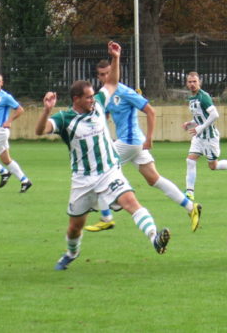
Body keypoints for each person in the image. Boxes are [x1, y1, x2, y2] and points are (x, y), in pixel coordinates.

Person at [35, 41, 170, 271]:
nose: (92, 99)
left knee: (131, 202)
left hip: (109, 172)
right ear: (76, 98)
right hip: (82, 180)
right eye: (87, 97)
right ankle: (71, 253)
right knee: (74, 228)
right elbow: (40, 131)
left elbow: (113, 83)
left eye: (92, 96)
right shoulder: (65, 119)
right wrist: (47, 110)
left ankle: (154, 237)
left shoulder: (97, 104)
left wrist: (116, 57)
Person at [83, 60, 201, 233]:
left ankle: (107, 216)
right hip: (131, 142)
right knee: (154, 179)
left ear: (115, 72)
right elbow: (105, 115)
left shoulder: (124, 91)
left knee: (101, 170)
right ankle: (191, 207)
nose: (105, 77)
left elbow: (150, 111)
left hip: (131, 141)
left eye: (108, 73)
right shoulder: (105, 94)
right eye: (101, 74)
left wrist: (149, 138)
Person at [182, 71, 227, 200]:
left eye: (194, 81)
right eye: (190, 82)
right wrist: (190, 123)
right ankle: (190, 192)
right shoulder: (192, 98)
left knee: (213, 166)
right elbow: (201, 117)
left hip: (209, 137)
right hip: (199, 137)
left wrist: (200, 127)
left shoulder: (203, 97)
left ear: (199, 82)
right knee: (190, 160)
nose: (192, 84)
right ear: (186, 83)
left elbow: (215, 115)